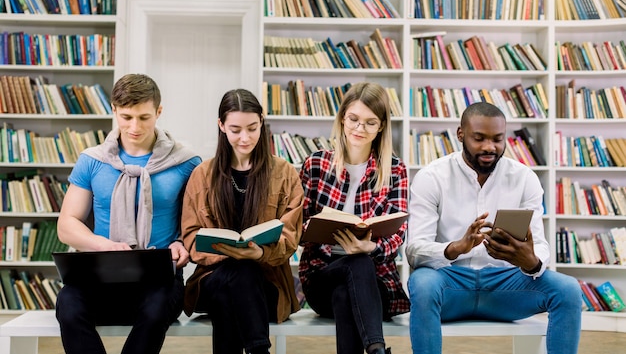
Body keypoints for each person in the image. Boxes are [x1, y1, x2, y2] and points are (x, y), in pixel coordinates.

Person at [405, 102, 582, 354]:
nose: (490, 147)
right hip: (449, 284)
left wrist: (530, 261)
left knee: (568, 289)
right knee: (422, 283)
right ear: (460, 134)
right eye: (479, 138)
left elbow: (540, 244)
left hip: (506, 287)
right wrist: (455, 248)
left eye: (498, 139)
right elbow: (414, 250)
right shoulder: (431, 177)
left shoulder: (524, 178)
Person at [55, 73, 202, 354]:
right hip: (99, 274)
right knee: (69, 307)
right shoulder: (92, 161)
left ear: (159, 112)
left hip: (160, 278)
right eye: (126, 117)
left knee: (156, 310)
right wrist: (106, 246)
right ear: (113, 110)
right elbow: (67, 224)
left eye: (144, 117)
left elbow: (196, 223)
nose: (134, 126)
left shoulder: (187, 162)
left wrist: (182, 245)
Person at [181, 88, 303, 354]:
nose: (245, 138)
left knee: (240, 279)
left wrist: (259, 253)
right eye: (235, 129)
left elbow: (291, 235)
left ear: (262, 121)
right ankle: (260, 350)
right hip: (212, 279)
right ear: (221, 126)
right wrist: (227, 254)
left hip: (267, 285)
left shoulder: (284, 173)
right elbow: (190, 236)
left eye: (252, 128)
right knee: (237, 273)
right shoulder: (203, 175)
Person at [298, 82, 409, 354]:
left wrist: (370, 247)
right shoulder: (315, 165)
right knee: (350, 271)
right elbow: (296, 227)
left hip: (375, 282)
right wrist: (313, 227)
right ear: (342, 118)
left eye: (370, 123)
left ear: (381, 126)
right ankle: (377, 350)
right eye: (354, 119)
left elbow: (399, 232)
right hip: (322, 275)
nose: (360, 129)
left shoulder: (395, 170)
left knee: (353, 274)